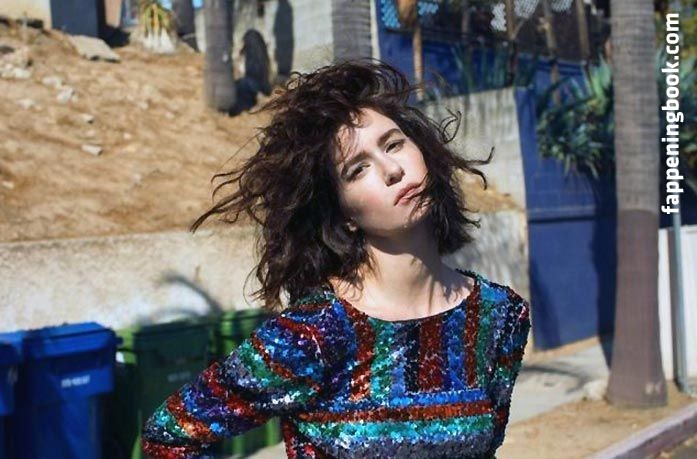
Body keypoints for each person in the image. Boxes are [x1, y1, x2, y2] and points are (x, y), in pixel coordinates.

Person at [141, 58, 531, 458]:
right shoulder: (313, 334)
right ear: (344, 215)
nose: (392, 170)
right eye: (358, 169)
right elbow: (168, 435)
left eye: (394, 144)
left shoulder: (500, 316)